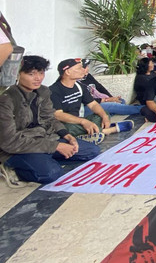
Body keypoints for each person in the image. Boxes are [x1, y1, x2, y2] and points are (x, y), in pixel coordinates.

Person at [0, 56, 100, 185]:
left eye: (41, 73)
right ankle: (15, 169)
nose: (38, 78)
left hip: (45, 139)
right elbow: (9, 141)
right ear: (18, 74)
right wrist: (56, 146)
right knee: (51, 173)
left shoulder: (43, 91)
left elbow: (50, 118)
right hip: (19, 148)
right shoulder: (6, 99)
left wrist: (67, 136)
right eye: (31, 74)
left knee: (91, 151)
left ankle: (43, 159)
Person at [50, 58, 133, 143]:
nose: (83, 70)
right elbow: (58, 115)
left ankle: (89, 134)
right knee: (68, 128)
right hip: (65, 124)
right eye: (79, 68)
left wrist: (104, 116)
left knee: (103, 113)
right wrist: (83, 121)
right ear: (67, 72)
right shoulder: (53, 90)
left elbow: (93, 104)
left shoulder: (79, 86)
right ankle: (108, 130)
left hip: (79, 121)